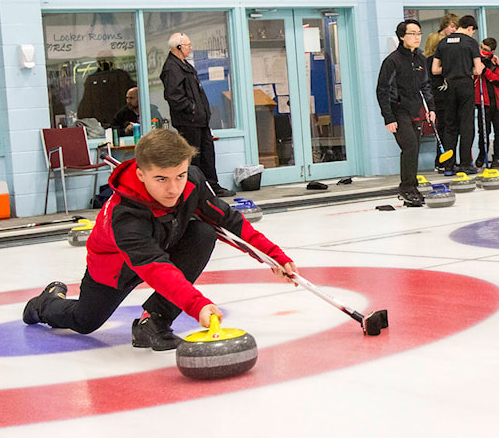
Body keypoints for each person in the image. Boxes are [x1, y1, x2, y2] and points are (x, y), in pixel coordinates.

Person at [22, 129, 296, 350]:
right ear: (141, 174)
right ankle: (45, 303)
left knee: (202, 232)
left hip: (164, 241)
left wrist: (274, 257)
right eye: (161, 179)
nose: (174, 188)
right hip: (116, 267)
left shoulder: (192, 183)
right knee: (85, 321)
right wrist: (196, 303)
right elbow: (155, 267)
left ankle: (153, 321)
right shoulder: (125, 215)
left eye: (180, 175)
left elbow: (228, 221)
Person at [160, 33, 236, 197]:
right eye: (188, 45)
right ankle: (197, 191)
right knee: (194, 158)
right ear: (178, 47)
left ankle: (212, 186)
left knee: (208, 154)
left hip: (200, 121)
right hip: (189, 122)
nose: (190, 48)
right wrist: (192, 108)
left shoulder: (185, 65)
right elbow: (173, 96)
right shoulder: (171, 68)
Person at [376, 19, 435, 207]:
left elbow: (425, 85)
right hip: (398, 110)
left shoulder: (420, 59)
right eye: (412, 34)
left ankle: (412, 186)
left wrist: (430, 108)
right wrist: (388, 117)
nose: (417, 37)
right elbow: (382, 90)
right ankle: (406, 187)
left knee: (414, 148)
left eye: (419, 34)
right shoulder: (392, 61)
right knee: (409, 146)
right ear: (402, 36)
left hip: (415, 109)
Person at [432, 15, 484, 173]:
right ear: (470, 28)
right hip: (465, 85)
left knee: (449, 126)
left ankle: (448, 165)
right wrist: (466, 69)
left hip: (448, 85)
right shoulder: (470, 43)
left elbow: (434, 70)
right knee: (466, 125)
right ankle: (466, 164)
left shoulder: (443, 42)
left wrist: (449, 68)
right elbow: (479, 69)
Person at [425, 14, 460, 172]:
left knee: (445, 128)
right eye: (451, 26)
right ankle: (443, 161)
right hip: (441, 97)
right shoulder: (432, 61)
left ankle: (444, 160)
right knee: (445, 128)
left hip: (444, 96)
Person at [474, 37, 499, 169]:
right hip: (483, 103)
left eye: (486, 50)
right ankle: (482, 155)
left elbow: (498, 80)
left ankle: (497, 157)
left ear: (492, 51)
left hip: (498, 103)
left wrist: (486, 71)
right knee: (483, 132)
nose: (482, 51)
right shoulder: (476, 62)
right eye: (481, 48)